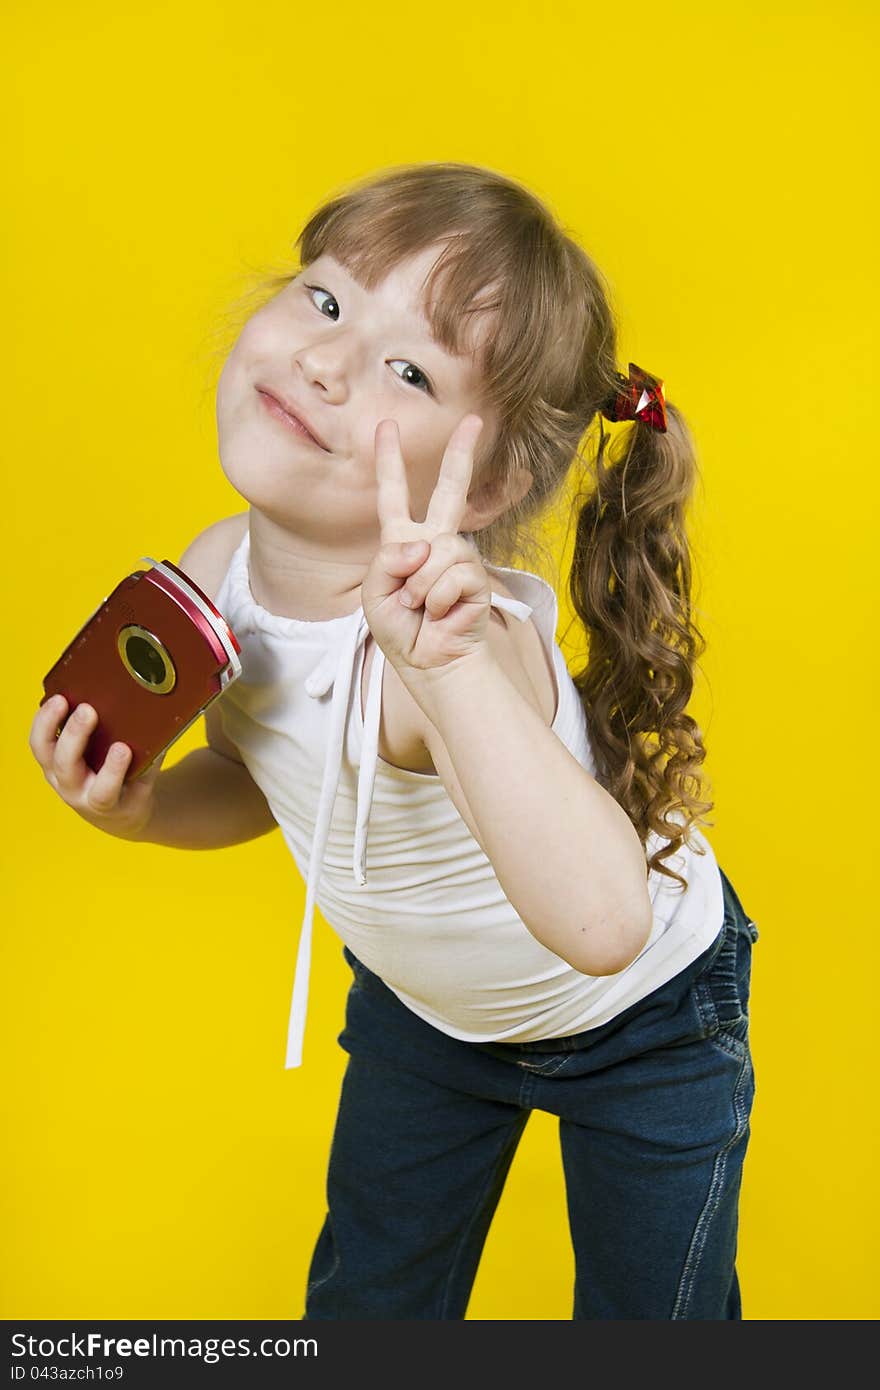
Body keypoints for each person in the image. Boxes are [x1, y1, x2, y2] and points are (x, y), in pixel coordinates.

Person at [29, 161, 760, 1320]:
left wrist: (448, 667)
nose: (324, 360)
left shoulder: (458, 649)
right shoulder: (222, 570)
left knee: (655, 1328)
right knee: (368, 1306)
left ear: (488, 485)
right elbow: (260, 779)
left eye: (407, 368)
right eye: (325, 300)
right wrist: (140, 809)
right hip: (429, 1015)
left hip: (645, 1025)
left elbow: (605, 927)